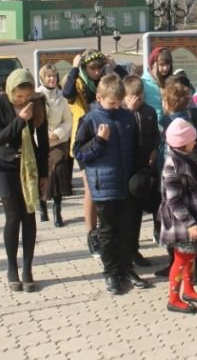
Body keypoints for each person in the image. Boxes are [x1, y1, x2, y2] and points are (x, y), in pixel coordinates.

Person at [73, 74, 147, 294]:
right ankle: (111, 273)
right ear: (99, 97)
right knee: (107, 232)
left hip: (126, 184)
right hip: (104, 187)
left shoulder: (127, 117)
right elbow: (79, 153)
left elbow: (135, 148)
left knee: (127, 231)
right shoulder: (89, 120)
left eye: (118, 103)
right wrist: (99, 141)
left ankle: (126, 268)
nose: (115, 108)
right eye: (111, 103)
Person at [0, 69, 49, 292]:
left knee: (29, 216)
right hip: (4, 166)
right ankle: (12, 268)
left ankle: (28, 269)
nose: (23, 100)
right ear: (11, 91)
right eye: (19, 97)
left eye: (27, 96)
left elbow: (42, 142)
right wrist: (20, 119)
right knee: (13, 217)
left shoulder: (38, 103)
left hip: (29, 166)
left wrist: (44, 174)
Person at [158, 118, 197, 314]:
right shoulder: (172, 165)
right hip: (181, 221)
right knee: (181, 259)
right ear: (182, 142)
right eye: (192, 140)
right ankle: (173, 299)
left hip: (193, 215)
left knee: (191, 256)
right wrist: (189, 223)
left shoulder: (186, 158)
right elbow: (174, 200)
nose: (196, 143)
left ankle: (188, 290)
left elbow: (194, 184)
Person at [63, 49, 108, 256]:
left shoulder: (105, 81)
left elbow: (125, 86)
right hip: (84, 139)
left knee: (104, 186)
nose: (97, 72)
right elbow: (67, 93)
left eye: (100, 67)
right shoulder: (77, 82)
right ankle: (91, 233)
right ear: (84, 67)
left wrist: (113, 67)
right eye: (92, 68)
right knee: (90, 188)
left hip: (105, 137)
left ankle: (106, 230)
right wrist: (74, 68)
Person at [123, 75, 159, 268]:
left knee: (138, 212)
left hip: (145, 168)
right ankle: (126, 250)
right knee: (127, 214)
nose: (138, 100)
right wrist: (129, 111)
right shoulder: (122, 113)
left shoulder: (149, 112)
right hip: (127, 169)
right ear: (124, 97)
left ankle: (135, 249)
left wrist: (154, 149)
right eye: (133, 96)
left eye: (141, 96)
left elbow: (155, 135)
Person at [37, 64, 73, 227]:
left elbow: (68, 120)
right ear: (43, 78)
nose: (52, 79)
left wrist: (57, 133)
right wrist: (42, 136)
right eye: (49, 76)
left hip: (58, 141)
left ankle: (57, 211)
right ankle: (42, 206)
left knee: (57, 170)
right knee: (42, 173)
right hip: (40, 141)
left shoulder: (62, 96)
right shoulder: (36, 96)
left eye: (54, 76)